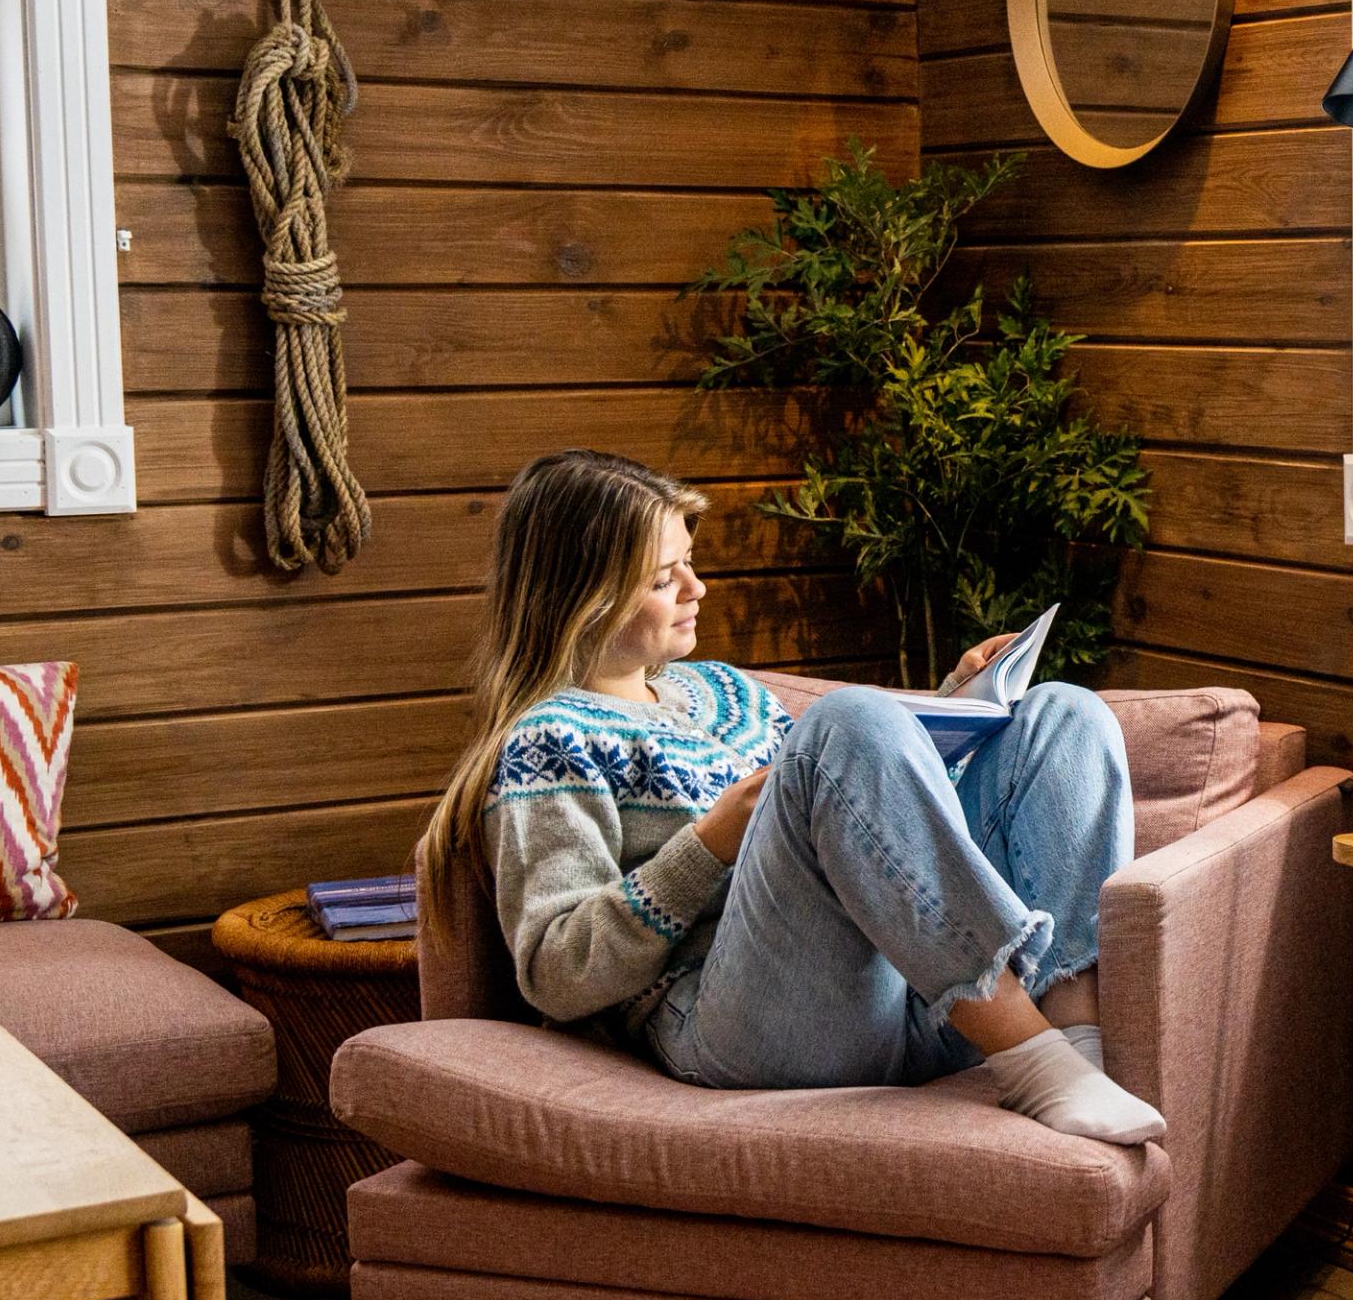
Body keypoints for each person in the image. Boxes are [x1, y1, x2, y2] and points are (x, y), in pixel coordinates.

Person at [416, 449, 1164, 1146]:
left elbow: (853, 817)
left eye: (690, 563)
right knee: (849, 720)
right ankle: (1035, 1062)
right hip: (737, 1025)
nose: (696, 589)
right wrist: (706, 846)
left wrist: (957, 706)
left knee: (1064, 713)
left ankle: (1073, 1035)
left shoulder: (723, 690)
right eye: (662, 578)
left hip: (896, 996)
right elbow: (555, 972)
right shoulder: (547, 743)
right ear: (582, 597)